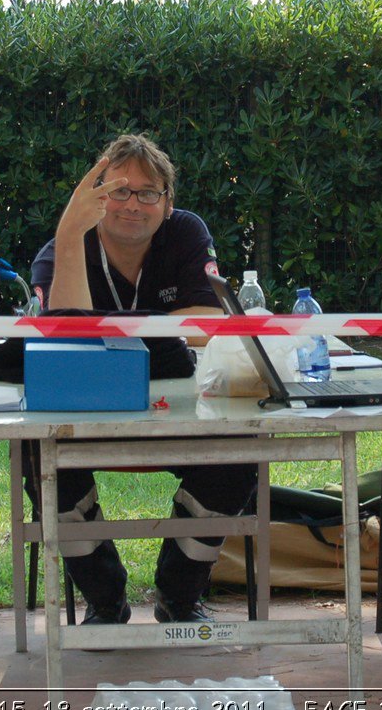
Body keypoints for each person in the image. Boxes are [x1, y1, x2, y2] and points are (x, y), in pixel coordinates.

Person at [29, 133, 250, 625]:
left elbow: (210, 321)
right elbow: (68, 334)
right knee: (34, 452)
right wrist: (70, 233)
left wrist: (114, 329)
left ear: (167, 204)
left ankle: (180, 594)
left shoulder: (187, 233)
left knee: (243, 444)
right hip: (88, 416)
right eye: (119, 190)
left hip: (181, 412)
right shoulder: (64, 244)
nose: (133, 204)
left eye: (148, 192)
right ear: (95, 196)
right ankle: (105, 599)